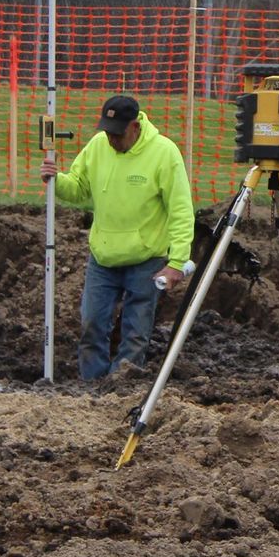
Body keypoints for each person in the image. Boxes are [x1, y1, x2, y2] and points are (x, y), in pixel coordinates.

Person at [40, 94, 195, 380]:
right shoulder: (98, 146)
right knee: (92, 324)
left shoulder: (164, 153)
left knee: (135, 334)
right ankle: (91, 384)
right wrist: (56, 180)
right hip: (103, 258)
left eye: (117, 133)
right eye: (107, 132)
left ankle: (120, 387)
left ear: (135, 127)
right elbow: (78, 188)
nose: (111, 139)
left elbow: (181, 210)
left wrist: (176, 262)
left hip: (146, 260)